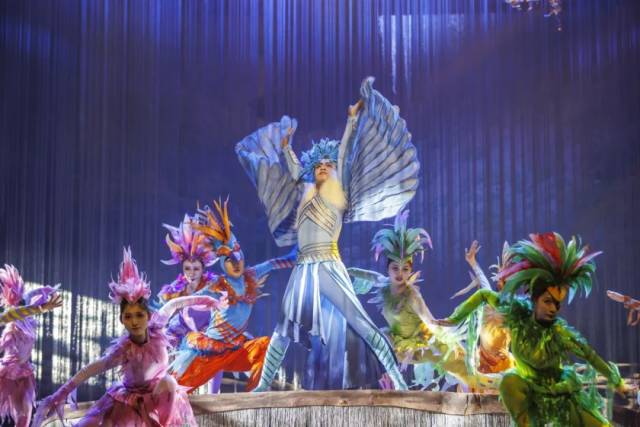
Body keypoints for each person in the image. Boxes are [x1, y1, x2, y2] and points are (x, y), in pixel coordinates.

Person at [236, 77, 420, 390]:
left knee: (359, 321)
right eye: (318, 164)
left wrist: (351, 122)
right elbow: (296, 173)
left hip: (328, 265)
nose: (323, 167)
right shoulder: (306, 193)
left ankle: (399, 381)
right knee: (283, 328)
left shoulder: (339, 195)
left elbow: (345, 155)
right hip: (303, 267)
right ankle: (263, 386)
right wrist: (286, 147)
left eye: (327, 164)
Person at [435, 233, 633, 426]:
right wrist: (454, 319)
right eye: (548, 301)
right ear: (535, 299)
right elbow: (484, 294)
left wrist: (618, 383)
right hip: (524, 387)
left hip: (558, 394)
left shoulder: (558, 332)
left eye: (557, 304)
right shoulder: (514, 312)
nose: (553, 309)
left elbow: (590, 355)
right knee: (509, 383)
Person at [34, 248, 226, 427]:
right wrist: (57, 396)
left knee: (169, 382)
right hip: (131, 403)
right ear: (122, 320)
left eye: (139, 315)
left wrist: (208, 300)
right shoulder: (123, 351)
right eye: (128, 317)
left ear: (148, 316)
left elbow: (175, 303)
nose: (134, 322)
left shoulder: (158, 326)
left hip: (160, 397)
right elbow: (88, 371)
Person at [349, 210, 492, 390]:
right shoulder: (384, 285)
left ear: (410, 271)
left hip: (425, 345)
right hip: (397, 343)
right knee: (375, 337)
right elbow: (370, 276)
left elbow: (430, 322)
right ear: (388, 269)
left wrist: (451, 329)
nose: (400, 274)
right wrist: (347, 271)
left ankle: (491, 388)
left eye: (405, 269)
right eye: (395, 268)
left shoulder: (412, 296)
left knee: (466, 373)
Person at [171, 199, 295, 392]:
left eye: (238, 257)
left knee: (265, 347)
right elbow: (190, 300)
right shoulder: (217, 284)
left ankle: (253, 397)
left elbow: (275, 263)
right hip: (210, 352)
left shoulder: (251, 275)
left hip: (235, 350)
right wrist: (168, 311)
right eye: (230, 259)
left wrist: (302, 252)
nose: (236, 263)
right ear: (222, 263)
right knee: (176, 389)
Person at [0, 265, 62, 427]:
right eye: (19, 303)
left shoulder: (26, 317)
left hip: (24, 371)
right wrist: (40, 307)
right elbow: (14, 313)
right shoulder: (11, 318)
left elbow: (32, 296)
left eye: (22, 302)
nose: (21, 305)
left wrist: (49, 291)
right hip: (8, 372)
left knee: (26, 413)